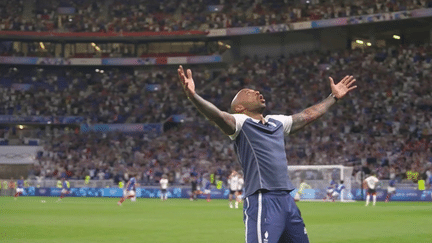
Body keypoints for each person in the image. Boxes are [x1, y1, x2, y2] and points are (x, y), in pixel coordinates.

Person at [177, 65, 356, 242]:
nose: (256, 92)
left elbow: (307, 115)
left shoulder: (276, 122)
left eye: (255, 90)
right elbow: (218, 116)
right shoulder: (241, 123)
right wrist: (194, 97)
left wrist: (333, 97)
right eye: (248, 92)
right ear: (239, 107)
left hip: (287, 200)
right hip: (263, 198)